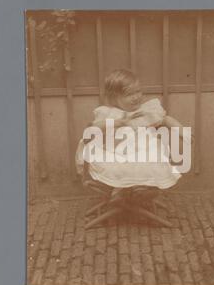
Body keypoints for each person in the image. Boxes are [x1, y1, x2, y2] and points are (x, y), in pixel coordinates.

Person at [76, 69, 186, 198]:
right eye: (129, 94)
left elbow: (165, 119)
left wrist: (181, 130)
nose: (136, 97)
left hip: (143, 150)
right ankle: (121, 190)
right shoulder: (109, 113)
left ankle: (140, 188)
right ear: (114, 98)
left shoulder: (145, 111)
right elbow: (93, 128)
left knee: (151, 159)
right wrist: (119, 122)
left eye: (138, 91)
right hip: (115, 152)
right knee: (118, 165)